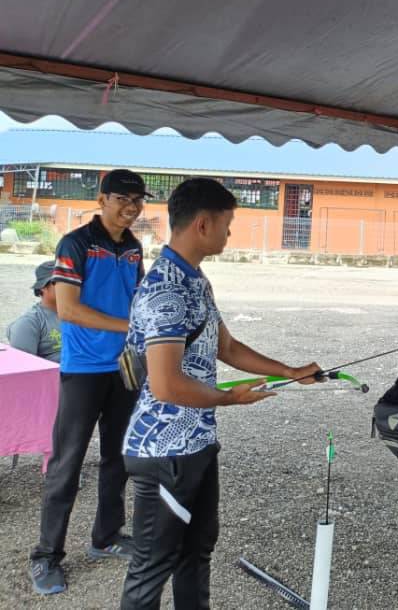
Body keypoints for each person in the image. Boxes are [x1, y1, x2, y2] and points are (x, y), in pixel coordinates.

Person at [119, 177, 320, 610]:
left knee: (196, 552)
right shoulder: (167, 289)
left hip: (196, 443)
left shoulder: (194, 280)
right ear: (204, 224)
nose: (230, 234)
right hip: (164, 448)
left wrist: (289, 371)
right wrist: (232, 398)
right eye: (228, 224)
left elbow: (225, 347)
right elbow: (166, 384)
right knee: (153, 565)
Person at [29, 169, 149, 596]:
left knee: (119, 459)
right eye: (123, 199)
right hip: (83, 369)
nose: (131, 208)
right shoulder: (75, 244)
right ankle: (46, 556)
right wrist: (128, 325)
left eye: (138, 200)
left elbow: (139, 299)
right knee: (67, 464)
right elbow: (69, 311)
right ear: (102, 199)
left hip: (125, 369)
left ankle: (106, 537)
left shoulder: (134, 247)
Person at [6, 261, 62, 362]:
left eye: (72, 282)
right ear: (43, 287)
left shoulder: (84, 315)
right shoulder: (29, 323)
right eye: (60, 282)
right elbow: (23, 367)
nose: (68, 287)